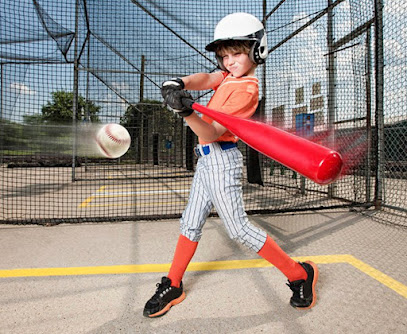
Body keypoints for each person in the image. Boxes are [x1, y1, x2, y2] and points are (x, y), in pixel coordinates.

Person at [143, 12, 318, 318]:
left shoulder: (247, 89)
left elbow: (210, 132)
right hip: (206, 162)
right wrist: (180, 83)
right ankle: (173, 283)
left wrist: (187, 113)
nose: (230, 61)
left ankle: (299, 274)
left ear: (256, 51)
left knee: (238, 229)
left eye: (237, 53)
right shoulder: (227, 77)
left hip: (223, 160)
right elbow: (208, 79)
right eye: (225, 55)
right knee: (190, 222)